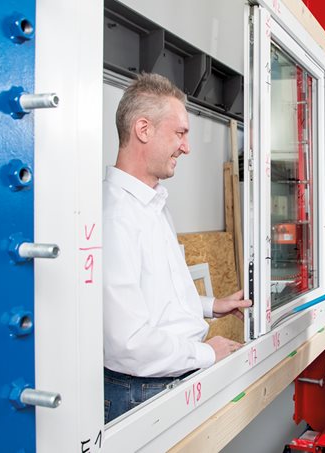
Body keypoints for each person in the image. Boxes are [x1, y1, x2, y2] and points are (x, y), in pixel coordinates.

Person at [103, 73, 252, 423]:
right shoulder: (115, 217)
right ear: (143, 129)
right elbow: (128, 342)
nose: (186, 147)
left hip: (167, 378)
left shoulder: (153, 204)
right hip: (140, 391)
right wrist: (205, 353)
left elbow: (156, 295)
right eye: (180, 133)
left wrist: (212, 306)